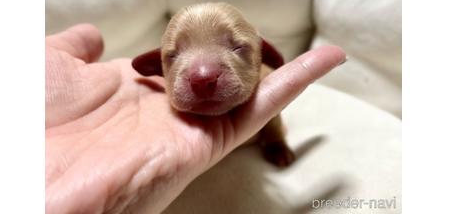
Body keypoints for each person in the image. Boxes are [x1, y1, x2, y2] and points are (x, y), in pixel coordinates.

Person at [46, 24, 346, 214]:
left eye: (238, 47)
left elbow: (273, 117)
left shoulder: (264, 85)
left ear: (262, 54)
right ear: (157, 67)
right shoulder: (155, 105)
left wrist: (275, 140)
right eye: (174, 56)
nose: (202, 75)